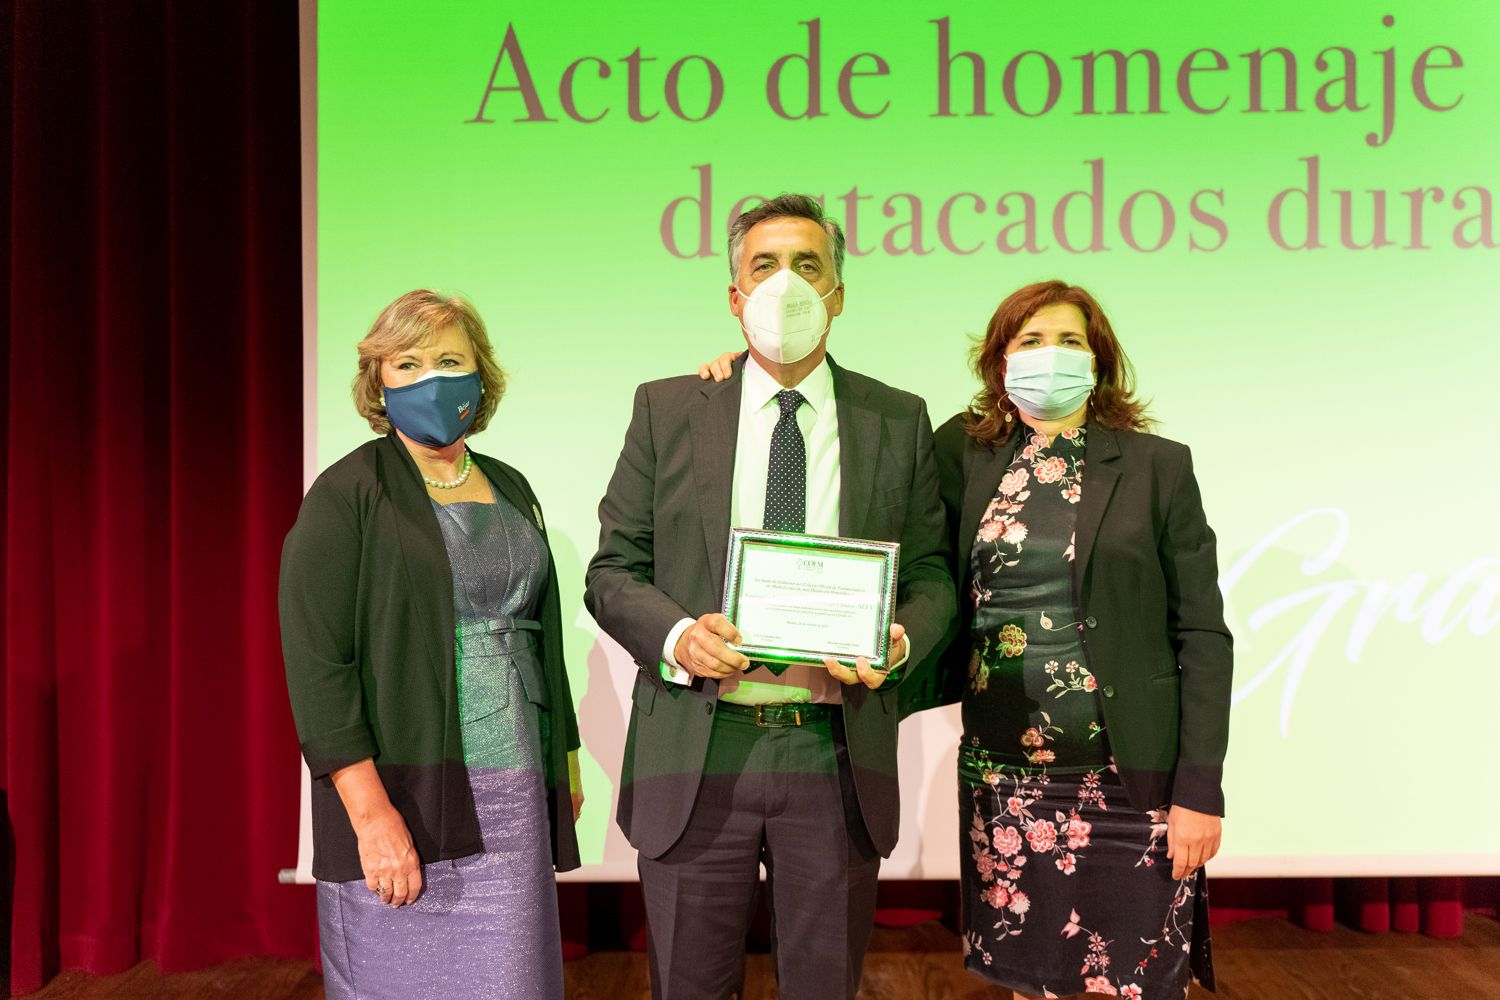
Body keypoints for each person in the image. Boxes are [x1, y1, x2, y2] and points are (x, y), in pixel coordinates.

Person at [585, 193, 957, 1000]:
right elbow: (613, 570)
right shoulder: (669, 409)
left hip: (835, 747)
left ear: (838, 294)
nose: (785, 284)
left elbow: (931, 577)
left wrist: (896, 642)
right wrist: (680, 635)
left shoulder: (897, 418)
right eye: (764, 265)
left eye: (808, 265)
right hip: (700, 743)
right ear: (734, 296)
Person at [901, 280, 1232, 999]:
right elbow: (876, 477)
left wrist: (1200, 792)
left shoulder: (1158, 467)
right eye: (1030, 341)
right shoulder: (961, 452)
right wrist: (737, 373)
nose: (1050, 355)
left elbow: (1203, 633)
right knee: (1033, 983)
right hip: (1005, 783)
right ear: (998, 364)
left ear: (1100, 361)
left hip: (1131, 784)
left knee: (1133, 983)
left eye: (1070, 340)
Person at [280, 289, 583, 1000]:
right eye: (407, 363)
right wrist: (371, 813)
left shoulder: (511, 486)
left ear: (482, 375)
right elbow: (318, 663)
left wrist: (562, 759)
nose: (431, 379)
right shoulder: (348, 492)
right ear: (377, 382)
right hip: (407, 788)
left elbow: (544, 637)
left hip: (513, 786)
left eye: (450, 359)